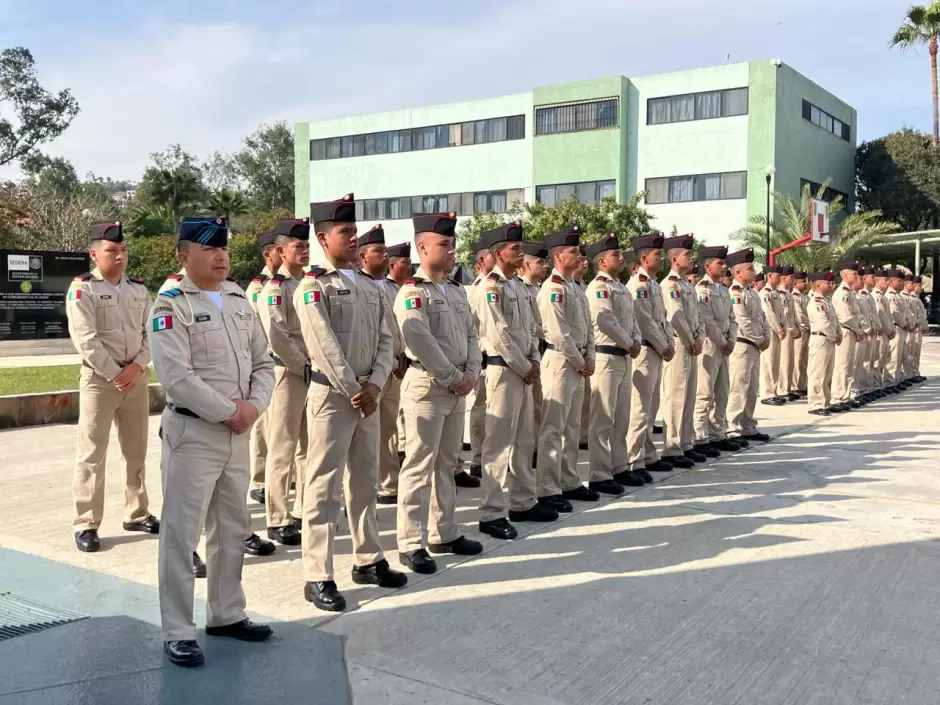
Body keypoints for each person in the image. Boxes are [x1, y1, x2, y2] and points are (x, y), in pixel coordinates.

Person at [150, 216, 276, 668]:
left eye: (222, 247)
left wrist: (254, 408)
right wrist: (232, 411)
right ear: (183, 256)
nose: (219, 255)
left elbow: (264, 362)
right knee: (182, 536)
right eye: (207, 248)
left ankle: (226, 614)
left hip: (237, 432)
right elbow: (177, 380)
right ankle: (178, 630)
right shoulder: (170, 306)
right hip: (194, 434)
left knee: (230, 528)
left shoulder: (240, 299)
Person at [294, 193, 406, 612]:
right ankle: (317, 573)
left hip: (367, 397)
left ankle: (368, 558)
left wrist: (375, 385)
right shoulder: (312, 287)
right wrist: (352, 388)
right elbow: (321, 344)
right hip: (333, 397)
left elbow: (385, 339)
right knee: (323, 486)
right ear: (323, 238)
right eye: (345, 232)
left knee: (365, 480)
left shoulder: (369, 287)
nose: (354, 238)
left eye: (355, 231)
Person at [394, 213, 484, 574]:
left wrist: (472, 372)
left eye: (452, 244)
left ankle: (444, 531)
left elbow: (473, 335)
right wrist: (452, 376)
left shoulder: (457, 290)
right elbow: (420, 340)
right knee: (418, 465)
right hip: (427, 388)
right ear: (422, 247)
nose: (451, 250)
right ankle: (409, 542)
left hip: (456, 387)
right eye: (444, 244)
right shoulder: (412, 293)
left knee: (447, 464)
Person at [66, 220, 158, 553]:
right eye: (111, 251)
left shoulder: (138, 289)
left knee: (136, 451)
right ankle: (87, 522)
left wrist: (136, 367)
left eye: (123, 250)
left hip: (135, 378)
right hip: (100, 382)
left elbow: (150, 334)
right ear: (94, 254)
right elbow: (85, 339)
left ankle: (137, 512)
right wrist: (114, 373)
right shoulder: (82, 289)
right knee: (92, 455)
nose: (120, 256)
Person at [478, 222, 555, 540]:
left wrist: (533, 361)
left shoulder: (518, 287)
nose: (520, 251)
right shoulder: (490, 287)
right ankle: (491, 512)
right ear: (498, 253)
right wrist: (525, 365)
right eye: (514, 247)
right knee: (497, 445)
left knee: (524, 439)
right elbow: (500, 335)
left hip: (524, 370)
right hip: (503, 371)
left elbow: (533, 330)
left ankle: (523, 501)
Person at [257, 218, 312, 546]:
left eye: (306, 246)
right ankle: (277, 517)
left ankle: (305, 508)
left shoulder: (311, 284)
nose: (303, 251)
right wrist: (301, 364)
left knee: (310, 447)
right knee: (282, 447)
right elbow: (276, 334)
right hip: (288, 373)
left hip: (313, 373)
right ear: (280, 251)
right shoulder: (275, 288)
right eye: (297, 246)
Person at [537, 225, 599, 513]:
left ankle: (569, 480)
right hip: (561, 362)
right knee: (553, 428)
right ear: (559, 257)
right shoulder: (552, 289)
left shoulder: (576, 288)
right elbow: (559, 333)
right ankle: (548, 488)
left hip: (577, 363)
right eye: (573, 251)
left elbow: (588, 328)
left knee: (572, 427)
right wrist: (580, 360)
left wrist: (590, 356)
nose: (579, 255)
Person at [584, 234, 645, 492]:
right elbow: (603, 319)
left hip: (623, 356)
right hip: (607, 355)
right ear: (600, 261)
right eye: (615, 255)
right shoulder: (599, 287)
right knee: (603, 418)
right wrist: (628, 341)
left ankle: (619, 467)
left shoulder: (620, 287)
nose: (620, 258)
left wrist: (636, 339)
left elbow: (632, 320)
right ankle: (599, 473)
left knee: (621, 416)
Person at [358, 225, 406, 506]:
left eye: (386, 251)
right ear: (363, 256)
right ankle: (371, 484)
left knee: (389, 430)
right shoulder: (359, 285)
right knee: (368, 434)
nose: (385, 255)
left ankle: (389, 483)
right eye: (378, 251)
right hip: (373, 371)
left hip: (396, 367)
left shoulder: (392, 287)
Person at [626, 233, 678, 474]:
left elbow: (663, 318)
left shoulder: (654, 284)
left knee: (651, 406)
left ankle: (647, 453)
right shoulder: (638, 285)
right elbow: (644, 321)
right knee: (639, 408)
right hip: (646, 349)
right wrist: (663, 345)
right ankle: (633, 458)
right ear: (645, 258)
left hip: (656, 349)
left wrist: (668, 342)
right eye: (658, 253)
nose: (662, 257)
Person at [693, 246, 743, 454]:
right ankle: (700, 437)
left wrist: (731, 339)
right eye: (719, 263)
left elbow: (732, 318)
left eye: (724, 263)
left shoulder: (723, 289)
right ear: (707, 266)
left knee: (722, 392)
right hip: (710, 346)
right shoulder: (702, 290)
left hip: (724, 346)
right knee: (704, 393)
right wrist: (723, 342)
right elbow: (707, 321)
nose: (724, 266)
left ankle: (717, 434)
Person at [659, 234, 703, 469]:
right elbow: (675, 316)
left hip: (692, 344)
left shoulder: (687, 284)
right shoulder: (671, 285)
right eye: (687, 254)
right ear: (675, 259)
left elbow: (697, 316)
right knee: (676, 396)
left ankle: (685, 443)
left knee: (689, 396)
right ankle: (672, 446)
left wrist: (700, 337)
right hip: (680, 343)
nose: (691, 257)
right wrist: (690, 339)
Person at [244, 231, 280, 507]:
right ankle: (259, 479)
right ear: (269, 255)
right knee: (264, 427)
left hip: (283, 363)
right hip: (268, 363)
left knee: (279, 429)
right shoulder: (257, 288)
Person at [726, 249, 770, 443]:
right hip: (743, 345)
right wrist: (759, 338)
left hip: (755, 345)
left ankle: (748, 425)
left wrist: (766, 335)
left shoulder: (752, 292)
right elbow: (741, 320)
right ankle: (733, 428)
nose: (754, 272)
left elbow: (762, 317)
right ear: (738, 273)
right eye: (750, 269)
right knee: (738, 388)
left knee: (752, 388)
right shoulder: (734, 293)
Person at [465, 239, 496, 478]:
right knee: (480, 409)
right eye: (492, 256)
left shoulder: (500, 285)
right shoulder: (477, 289)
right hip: (483, 357)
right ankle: (477, 457)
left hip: (497, 358)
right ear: (481, 261)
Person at [519, 241, 549, 466]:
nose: (545, 266)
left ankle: (537, 447)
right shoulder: (521, 288)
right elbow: (533, 325)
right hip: (528, 353)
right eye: (540, 262)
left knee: (539, 404)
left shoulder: (540, 289)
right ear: (527, 265)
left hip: (541, 352)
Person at [387, 242, 414, 468]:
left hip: (410, 363)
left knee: (406, 413)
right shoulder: (383, 288)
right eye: (405, 262)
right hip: (392, 363)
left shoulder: (412, 288)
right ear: (392, 265)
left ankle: (403, 448)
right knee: (390, 419)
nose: (410, 267)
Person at [806, 271, 842, 416]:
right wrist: (835, 335)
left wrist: (838, 333)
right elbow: (823, 323)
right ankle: (815, 404)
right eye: (828, 283)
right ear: (818, 285)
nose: (831, 285)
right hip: (820, 339)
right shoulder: (815, 302)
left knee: (827, 373)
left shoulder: (827, 300)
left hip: (829, 339)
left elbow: (835, 320)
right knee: (818, 373)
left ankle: (826, 401)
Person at [830, 261, 864, 409]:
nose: (856, 275)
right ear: (844, 275)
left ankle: (847, 395)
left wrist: (857, 329)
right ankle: (837, 397)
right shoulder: (842, 293)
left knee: (850, 365)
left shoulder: (850, 292)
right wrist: (858, 329)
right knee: (842, 365)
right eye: (854, 273)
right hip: (845, 330)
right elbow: (846, 316)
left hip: (852, 330)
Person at [759, 265, 786, 406]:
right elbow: (768, 314)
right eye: (777, 275)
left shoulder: (775, 293)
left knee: (775, 362)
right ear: (769, 276)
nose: (780, 278)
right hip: (770, 330)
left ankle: (774, 391)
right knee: (768, 362)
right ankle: (767, 393)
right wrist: (778, 328)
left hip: (778, 331)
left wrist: (784, 326)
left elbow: (781, 313)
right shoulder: (765, 293)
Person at [776, 265, 801, 402]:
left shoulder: (788, 294)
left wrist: (797, 327)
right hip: (786, 330)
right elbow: (784, 316)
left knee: (790, 360)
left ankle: (788, 387)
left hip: (792, 330)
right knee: (784, 360)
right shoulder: (779, 294)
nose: (793, 279)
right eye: (791, 277)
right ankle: (782, 389)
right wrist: (792, 329)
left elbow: (793, 315)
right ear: (784, 278)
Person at [854, 267, 878, 402]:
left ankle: (865, 388)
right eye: (872, 277)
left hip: (869, 332)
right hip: (860, 332)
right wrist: (868, 328)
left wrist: (875, 326)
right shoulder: (857, 296)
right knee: (857, 363)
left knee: (868, 361)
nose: (873, 280)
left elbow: (872, 315)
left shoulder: (867, 296)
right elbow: (859, 316)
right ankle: (857, 390)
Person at [885, 269, 911, 392]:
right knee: (893, 356)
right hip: (895, 326)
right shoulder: (890, 296)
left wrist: (906, 323)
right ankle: (890, 382)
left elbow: (905, 313)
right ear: (891, 282)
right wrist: (904, 323)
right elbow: (894, 313)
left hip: (901, 327)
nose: (902, 283)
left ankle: (896, 379)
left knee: (900, 356)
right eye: (899, 281)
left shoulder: (898, 296)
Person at [871, 269, 895, 395]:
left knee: (883, 359)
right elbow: (881, 316)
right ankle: (875, 386)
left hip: (885, 332)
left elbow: (888, 316)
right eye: (885, 280)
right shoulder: (877, 296)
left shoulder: (882, 296)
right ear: (877, 281)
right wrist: (889, 329)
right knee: (877, 360)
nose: (887, 282)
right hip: (881, 332)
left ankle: (879, 385)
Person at [791, 271, 810, 397]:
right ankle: (795, 385)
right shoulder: (794, 296)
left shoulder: (805, 296)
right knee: (797, 358)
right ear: (796, 283)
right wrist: (810, 324)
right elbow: (800, 315)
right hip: (801, 329)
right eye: (803, 281)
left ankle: (802, 384)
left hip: (807, 330)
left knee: (804, 359)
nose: (806, 283)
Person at [912, 276, 928, 382]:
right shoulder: (910, 298)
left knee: (915, 353)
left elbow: (922, 315)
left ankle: (914, 372)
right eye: (918, 285)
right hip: (911, 328)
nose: (920, 287)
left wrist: (925, 326)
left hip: (918, 328)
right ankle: (910, 374)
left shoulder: (917, 299)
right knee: (909, 354)